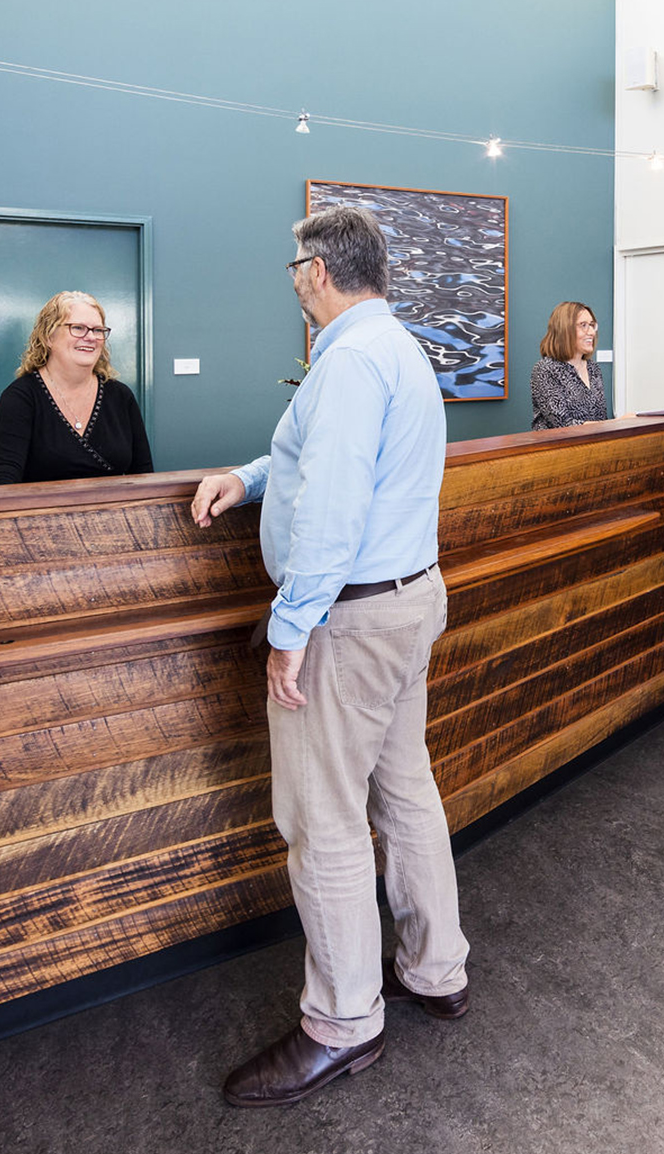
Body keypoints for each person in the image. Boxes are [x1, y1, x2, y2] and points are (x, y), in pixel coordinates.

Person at [191, 205, 469, 1108]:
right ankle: (436, 969)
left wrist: (290, 629)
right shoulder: (393, 346)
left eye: (292, 269)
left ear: (315, 272)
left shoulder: (348, 359)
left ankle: (343, 1024)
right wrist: (248, 477)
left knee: (325, 821)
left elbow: (336, 508)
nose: (293, 281)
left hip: (347, 620)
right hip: (407, 601)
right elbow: (324, 462)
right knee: (406, 789)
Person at [0, 291, 153, 485]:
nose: (91, 337)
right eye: (78, 328)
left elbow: (144, 475)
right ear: (48, 336)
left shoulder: (120, 396)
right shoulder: (20, 397)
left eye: (98, 330)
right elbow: (3, 482)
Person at [528, 301, 608, 429]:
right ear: (564, 329)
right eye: (584, 325)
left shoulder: (593, 369)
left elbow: (600, 418)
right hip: (558, 447)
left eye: (592, 325)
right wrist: (616, 424)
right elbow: (563, 424)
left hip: (593, 446)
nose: (592, 332)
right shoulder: (545, 369)